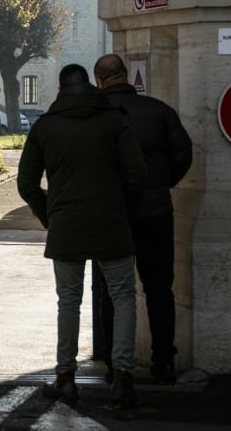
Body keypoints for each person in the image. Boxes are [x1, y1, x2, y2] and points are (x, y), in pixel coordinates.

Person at [17, 64, 148, 406]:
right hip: (111, 223)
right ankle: (123, 378)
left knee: (68, 301)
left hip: (66, 226)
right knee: (123, 297)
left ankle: (65, 377)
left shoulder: (45, 127)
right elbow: (137, 174)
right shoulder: (114, 121)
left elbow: (26, 184)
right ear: (91, 86)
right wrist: (122, 210)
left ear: (60, 91)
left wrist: (51, 216)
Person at [91, 53, 193, 385]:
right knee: (159, 287)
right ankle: (163, 360)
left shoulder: (94, 116)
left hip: (110, 214)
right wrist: (160, 186)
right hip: (155, 212)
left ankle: (114, 362)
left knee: (112, 290)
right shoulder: (159, 111)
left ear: (100, 81)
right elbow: (182, 156)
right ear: (125, 76)